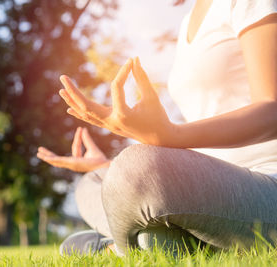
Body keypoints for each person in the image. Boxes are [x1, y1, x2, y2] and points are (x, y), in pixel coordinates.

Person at [37, 0, 277, 256]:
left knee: (137, 167)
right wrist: (110, 166)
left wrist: (171, 135)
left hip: (267, 183)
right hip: (213, 189)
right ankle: (171, 240)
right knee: (94, 180)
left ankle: (119, 248)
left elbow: (271, 109)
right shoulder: (189, 20)